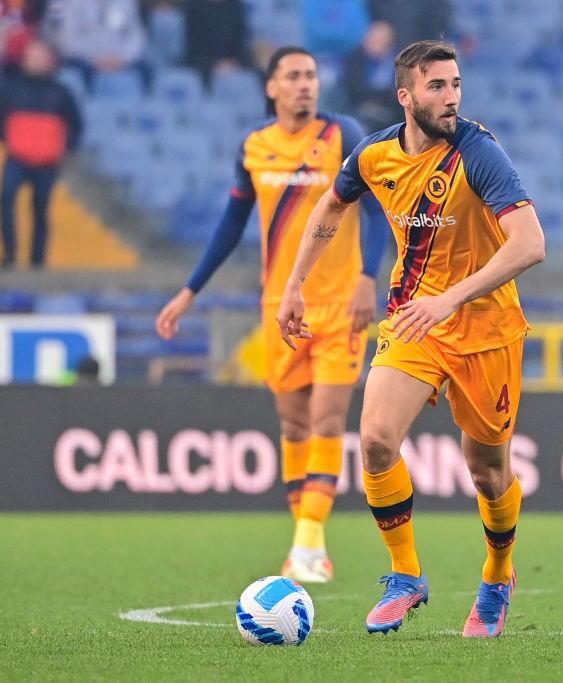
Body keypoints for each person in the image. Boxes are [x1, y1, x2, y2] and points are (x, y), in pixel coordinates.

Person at [276, 40, 545, 638]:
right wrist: (296, 284)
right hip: (413, 320)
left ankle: (498, 576)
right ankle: (406, 575)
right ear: (406, 96)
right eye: (436, 87)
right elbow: (330, 207)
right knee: (373, 441)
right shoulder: (374, 155)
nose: (451, 98)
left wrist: (451, 298)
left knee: (488, 473)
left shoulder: (479, 152)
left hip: (486, 328)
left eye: (455, 85)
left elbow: (531, 243)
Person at [155, 46, 389, 584]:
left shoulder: (343, 136)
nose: (306, 84)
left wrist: (366, 278)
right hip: (280, 307)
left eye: (311, 75)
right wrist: (190, 291)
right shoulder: (253, 146)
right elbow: (232, 222)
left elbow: (375, 209)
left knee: (329, 420)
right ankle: (303, 539)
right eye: (294, 76)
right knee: (293, 424)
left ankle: (310, 542)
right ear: (272, 88)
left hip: (337, 305)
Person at [0, 38, 81, 268]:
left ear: (50, 61)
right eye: (32, 56)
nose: (36, 61)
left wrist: (64, 148)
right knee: (6, 198)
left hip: (47, 160)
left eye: (40, 56)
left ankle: (37, 261)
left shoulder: (61, 92)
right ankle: (10, 255)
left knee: (41, 208)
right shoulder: (10, 88)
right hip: (18, 157)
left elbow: (76, 125)